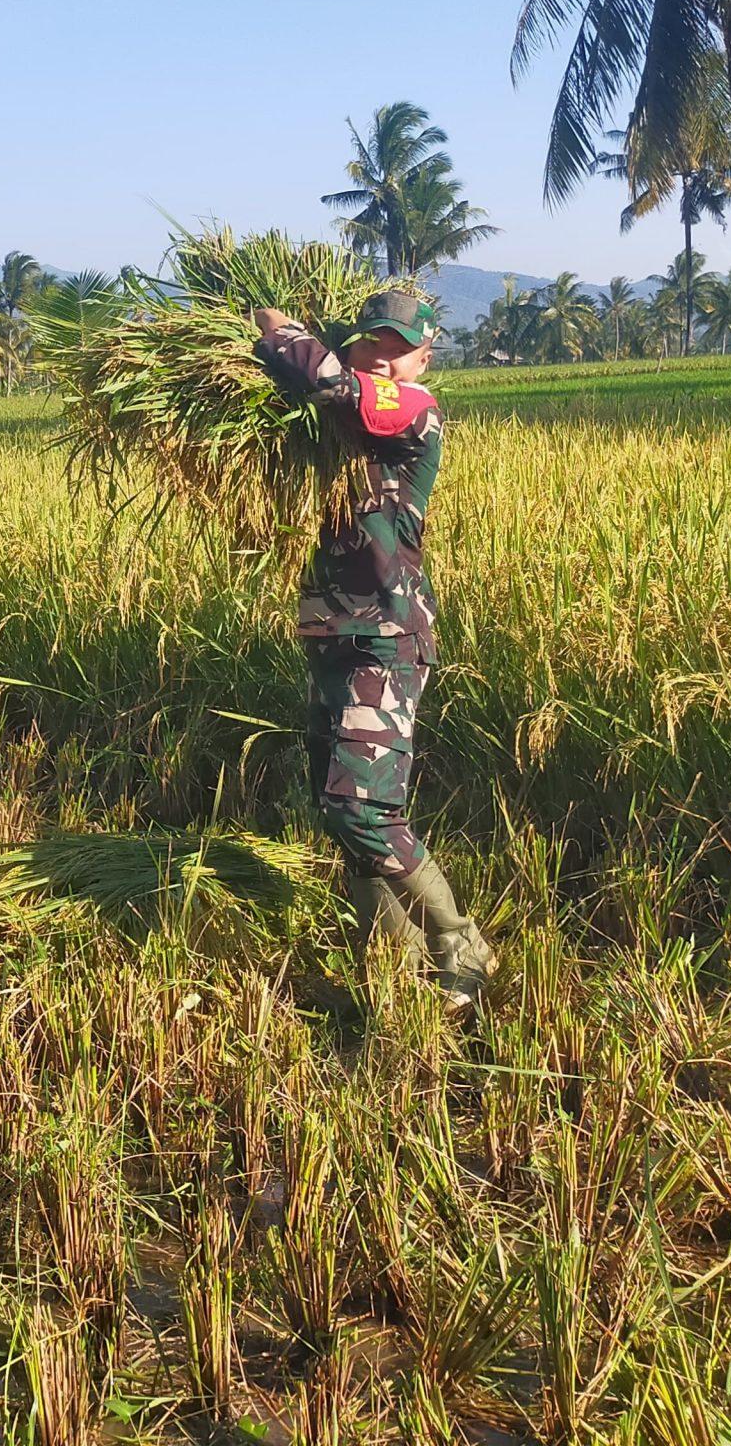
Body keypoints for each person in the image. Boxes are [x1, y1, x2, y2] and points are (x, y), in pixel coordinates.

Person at [250, 291, 494, 1008]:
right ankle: (388, 955)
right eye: (369, 344)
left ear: (424, 356)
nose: (383, 355)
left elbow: (329, 382)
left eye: (399, 346)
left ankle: (459, 944)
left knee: (363, 807)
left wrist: (275, 327)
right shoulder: (330, 433)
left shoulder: (412, 410)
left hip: (386, 636)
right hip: (330, 631)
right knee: (334, 804)